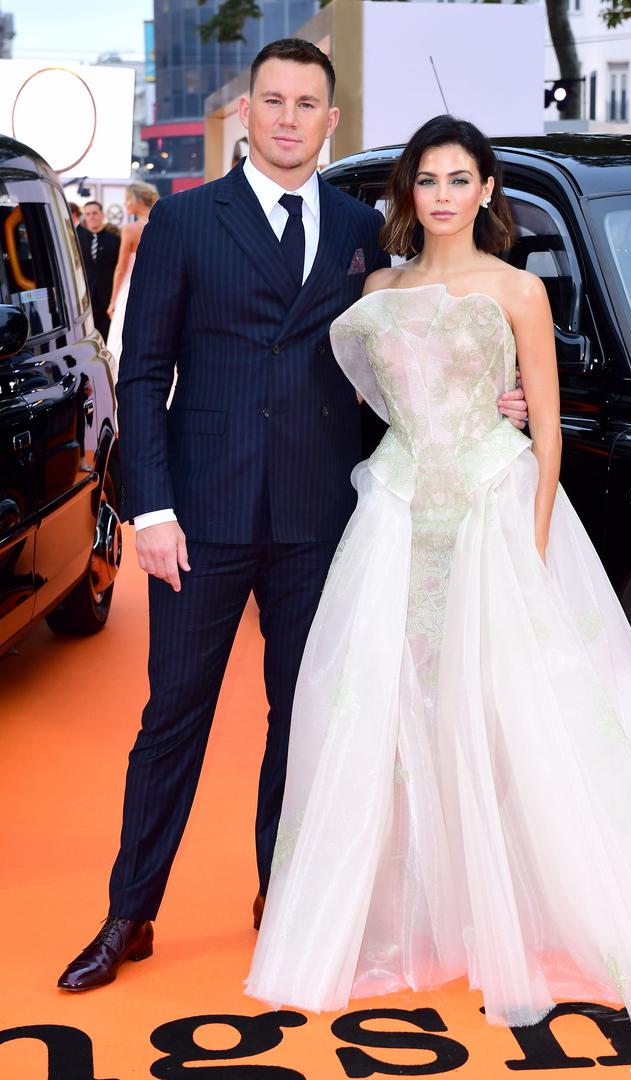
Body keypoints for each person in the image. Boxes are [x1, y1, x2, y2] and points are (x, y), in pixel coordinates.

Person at [55, 40, 531, 994]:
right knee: (171, 717)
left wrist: (489, 402)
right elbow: (142, 373)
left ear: (330, 121)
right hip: (201, 515)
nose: (286, 118)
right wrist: (151, 507)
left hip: (321, 518)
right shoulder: (185, 221)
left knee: (305, 717)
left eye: (305, 104)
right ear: (247, 115)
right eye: (271, 101)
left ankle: (285, 895)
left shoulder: (363, 229)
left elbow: (405, 347)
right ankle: (129, 913)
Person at [244, 115, 631, 1035]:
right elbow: (374, 393)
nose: (441, 196)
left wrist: (532, 540)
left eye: (458, 179)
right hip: (397, 512)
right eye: (426, 180)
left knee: (511, 709)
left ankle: (523, 911)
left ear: (485, 191)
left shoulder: (517, 289)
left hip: (492, 509)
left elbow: (545, 427)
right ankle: (408, 912)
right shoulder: (378, 289)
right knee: (386, 706)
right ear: (409, 192)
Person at [105, 181, 160, 377]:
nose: (125, 204)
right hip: (160, 288)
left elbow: (121, 268)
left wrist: (112, 301)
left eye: (127, 199)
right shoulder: (165, 223)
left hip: (131, 290)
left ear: (137, 200)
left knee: (122, 340)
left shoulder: (130, 229)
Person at [77, 200, 120, 343]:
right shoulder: (76, 239)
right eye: (88, 214)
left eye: (95, 213)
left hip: (107, 299)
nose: (91, 217)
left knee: (107, 338)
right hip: (84, 298)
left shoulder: (115, 240)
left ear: (102, 215)